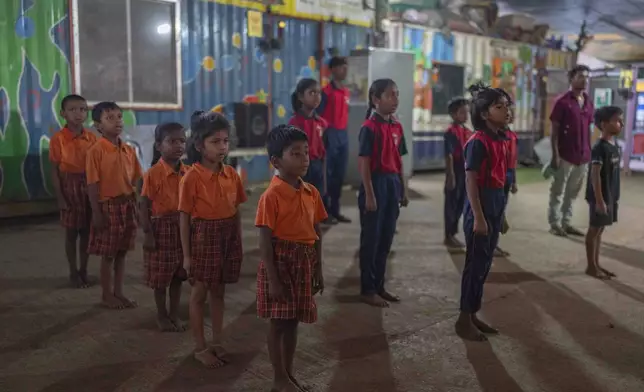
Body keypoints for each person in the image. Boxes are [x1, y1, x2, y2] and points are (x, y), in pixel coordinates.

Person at [256, 125, 327, 392]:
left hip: (304, 261)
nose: (304, 158)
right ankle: (278, 378)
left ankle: (288, 374)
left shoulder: (311, 192)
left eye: (306, 152)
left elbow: (316, 231)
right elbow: (264, 241)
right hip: (281, 263)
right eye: (295, 153)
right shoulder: (271, 196)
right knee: (278, 323)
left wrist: (318, 267)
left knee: (294, 320)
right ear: (276, 161)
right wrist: (273, 279)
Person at [178, 111, 247, 368]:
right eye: (215, 142)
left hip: (228, 237)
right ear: (199, 145)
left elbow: (236, 210)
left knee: (219, 291)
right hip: (204, 237)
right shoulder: (191, 178)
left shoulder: (231, 174)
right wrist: (187, 256)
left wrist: (237, 242)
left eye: (225, 141)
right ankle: (199, 347)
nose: (222, 147)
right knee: (199, 293)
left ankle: (217, 341)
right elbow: (184, 217)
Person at [455, 83, 509, 342]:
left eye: (507, 106)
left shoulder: (502, 138)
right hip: (481, 204)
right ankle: (463, 320)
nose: (506, 111)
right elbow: (471, 181)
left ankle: (473, 313)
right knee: (475, 264)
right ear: (485, 114)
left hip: (496, 202)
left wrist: (502, 214)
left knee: (484, 264)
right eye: (500, 107)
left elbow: (501, 180)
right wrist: (478, 216)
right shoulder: (477, 142)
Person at [357, 79, 409, 308]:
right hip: (375, 184)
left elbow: (399, 160)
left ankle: (379, 285)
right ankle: (367, 289)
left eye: (397, 94)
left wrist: (403, 188)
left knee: (386, 238)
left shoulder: (397, 126)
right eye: (390, 95)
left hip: (392, 185)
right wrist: (369, 194)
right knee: (371, 239)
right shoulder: (369, 128)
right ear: (375, 100)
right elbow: (364, 163)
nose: (395, 99)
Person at [86, 101, 142, 309]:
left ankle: (118, 292)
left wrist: (137, 208)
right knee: (108, 254)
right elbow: (92, 184)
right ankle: (106, 295)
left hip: (127, 206)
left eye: (119, 116)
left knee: (122, 252)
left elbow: (136, 180)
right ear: (98, 125)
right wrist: (97, 213)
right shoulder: (96, 151)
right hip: (108, 208)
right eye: (110, 118)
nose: (118, 121)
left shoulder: (128, 150)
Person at [140, 122, 189, 332]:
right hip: (161, 230)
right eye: (172, 141)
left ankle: (174, 313)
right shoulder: (152, 174)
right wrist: (148, 234)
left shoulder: (188, 173)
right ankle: (161, 316)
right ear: (159, 146)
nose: (178, 146)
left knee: (179, 275)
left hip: (182, 228)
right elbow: (143, 206)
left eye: (182, 141)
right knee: (161, 278)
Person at [49, 94, 97, 288]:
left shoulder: (91, 138)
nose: (78, 113)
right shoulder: (58, 139)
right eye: (73, 109)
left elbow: (95, 168)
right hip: (69, 186)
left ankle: (84, 270)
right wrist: (60, 197)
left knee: (87, 231)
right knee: (71, 233)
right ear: (63, 114)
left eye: (83, 109)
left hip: (88, 185)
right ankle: (72, 272)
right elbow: (54, 170)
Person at [548, 64, 594, 237]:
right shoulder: (562, 102)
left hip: (583, 156)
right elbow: (554, 132)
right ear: (571, 78)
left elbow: (589, 129)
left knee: (572, 192)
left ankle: (566, 222)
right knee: (558, 191)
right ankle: (554, 223)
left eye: (587, 77)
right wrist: (555, 155)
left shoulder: (588, 102)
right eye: (581, 76)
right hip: (565, 155)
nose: (584, 80)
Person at [584, 106, 623, 280]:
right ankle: (591, 267)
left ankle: (596, 263)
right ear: (603, 124)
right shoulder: (599, 148)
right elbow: (595, 175)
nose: (620, 123)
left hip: (610, 195)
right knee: (594, 230)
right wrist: (599, 200)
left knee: (600, 230)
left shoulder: (614, 147)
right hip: (600, 196)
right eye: (616, 120)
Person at [318, 56, 351, 224]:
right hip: (329, 135)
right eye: (341, 67)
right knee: (327, 175)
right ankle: (324, 212)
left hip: (343, 136)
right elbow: (319, 116)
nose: (345, 70)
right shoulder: (325, 93)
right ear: (333, 70)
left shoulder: (346, 92)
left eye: (346, 67)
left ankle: (336, 210)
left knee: (339, 175)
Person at [289, 78, 328, 194]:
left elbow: (323, 154)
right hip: (301, 168)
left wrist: (324, 179)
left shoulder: (322, 123)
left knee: (317, 203)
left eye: (319, 93)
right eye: (312, 93)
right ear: (301, 97)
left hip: (317, 168)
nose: (317, 97)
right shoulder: (294, 124)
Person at [443, 97, 472, 250]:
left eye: (467, 112)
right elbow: (448, 155)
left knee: (461, 204)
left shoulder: (467, 132)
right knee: (451, 205)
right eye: (462, 112)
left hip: (466, 173)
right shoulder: (450, 132)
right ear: (454, 114)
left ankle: (453, 232)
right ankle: (449, 234)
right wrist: (451, 175)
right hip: (456, 170)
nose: (465, 115)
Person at [496, 103, 519, 257]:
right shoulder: (496, 136)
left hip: (508, 175)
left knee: (502, 207)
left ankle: (494, 243)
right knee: (494, 210)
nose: (509, 114)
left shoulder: (513, 136)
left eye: (511, 112)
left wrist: (514, 181)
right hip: (497, 176)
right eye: (506, 111)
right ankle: (490, 245)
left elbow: (513, 159)